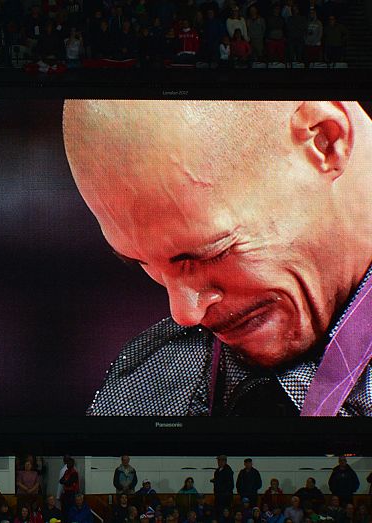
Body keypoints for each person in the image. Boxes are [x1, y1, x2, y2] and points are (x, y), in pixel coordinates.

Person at [62, 100, 372, 416]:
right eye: (141, 264)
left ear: (326, 142)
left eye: (213, 253)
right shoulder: (140, 386)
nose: (184, 313)